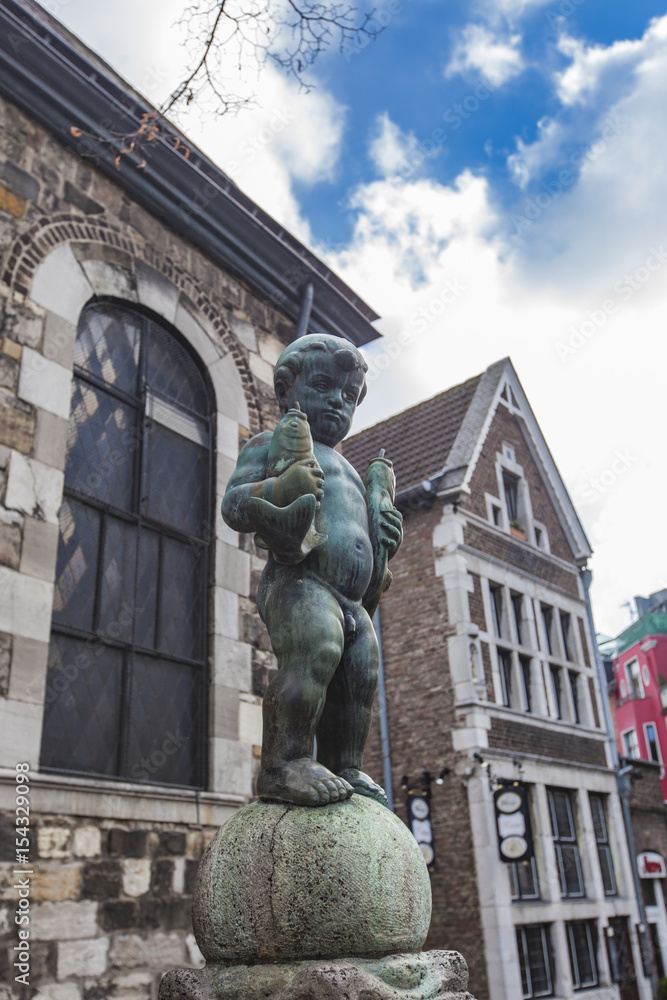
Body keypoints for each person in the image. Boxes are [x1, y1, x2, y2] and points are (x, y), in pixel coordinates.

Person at [222, 334, 402, 807]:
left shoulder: (349, 468)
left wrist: (384, 534)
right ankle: (284, 763)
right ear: (287, 388)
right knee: (315, 654)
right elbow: (235, 504)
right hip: (299, 581)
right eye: (323, 385)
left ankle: (348, 764)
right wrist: (279, 488)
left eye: (349, 396)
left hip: (351, 598)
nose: (337, 402)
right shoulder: (269, 443)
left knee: (360, 679)